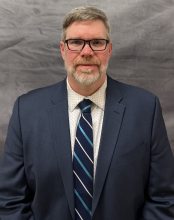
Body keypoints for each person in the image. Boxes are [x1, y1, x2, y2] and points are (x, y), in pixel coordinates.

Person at [0, 6, 174, 220]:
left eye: (97, 43)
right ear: (63, 50)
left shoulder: (146, 109)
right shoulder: (25, 111)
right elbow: (10, 201)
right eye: (76, 42)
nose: (87, 52)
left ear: (109, 50)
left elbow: (163, 199)